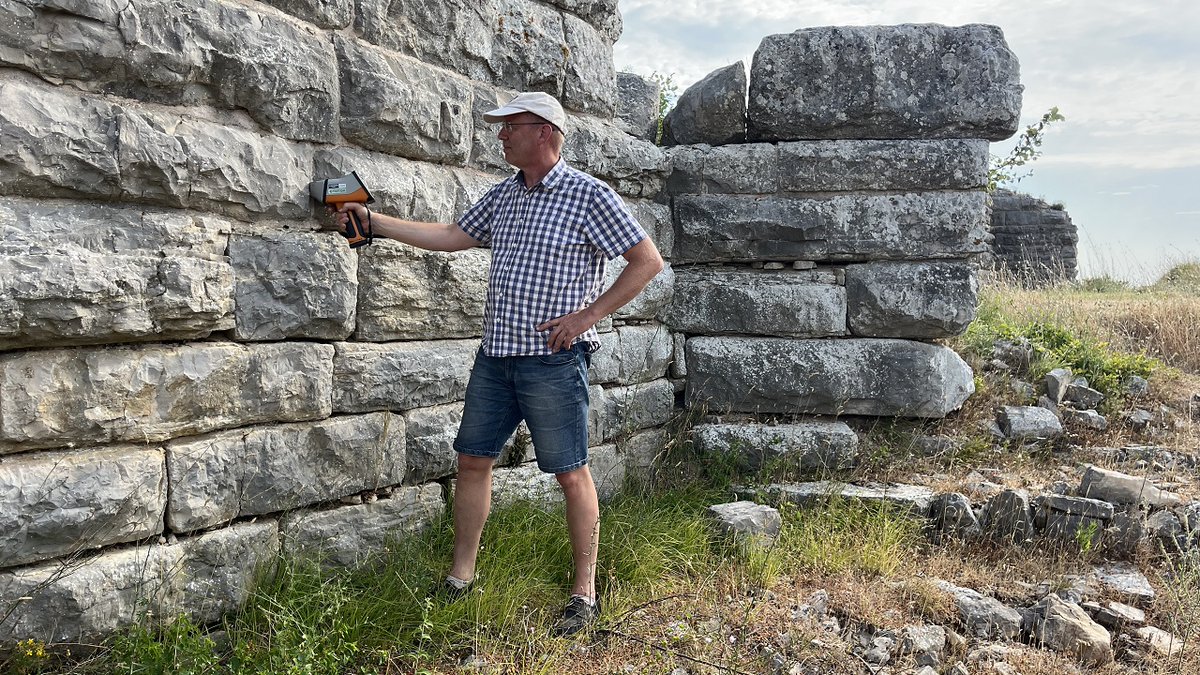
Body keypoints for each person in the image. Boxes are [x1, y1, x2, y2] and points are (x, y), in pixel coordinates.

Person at [325, 91, 664, 636]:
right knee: (472, 460)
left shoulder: (589, 195)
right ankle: (460, 577)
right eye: (501, 127)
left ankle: (584, 594)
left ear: (545, 132)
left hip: (553, 361)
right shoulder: (504, 196)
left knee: (570, 472)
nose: (501, 135)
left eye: (511, 126)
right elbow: (452, 237)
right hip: (496, 357)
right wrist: (374, 221)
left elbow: (646, 261)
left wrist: (588, 316)